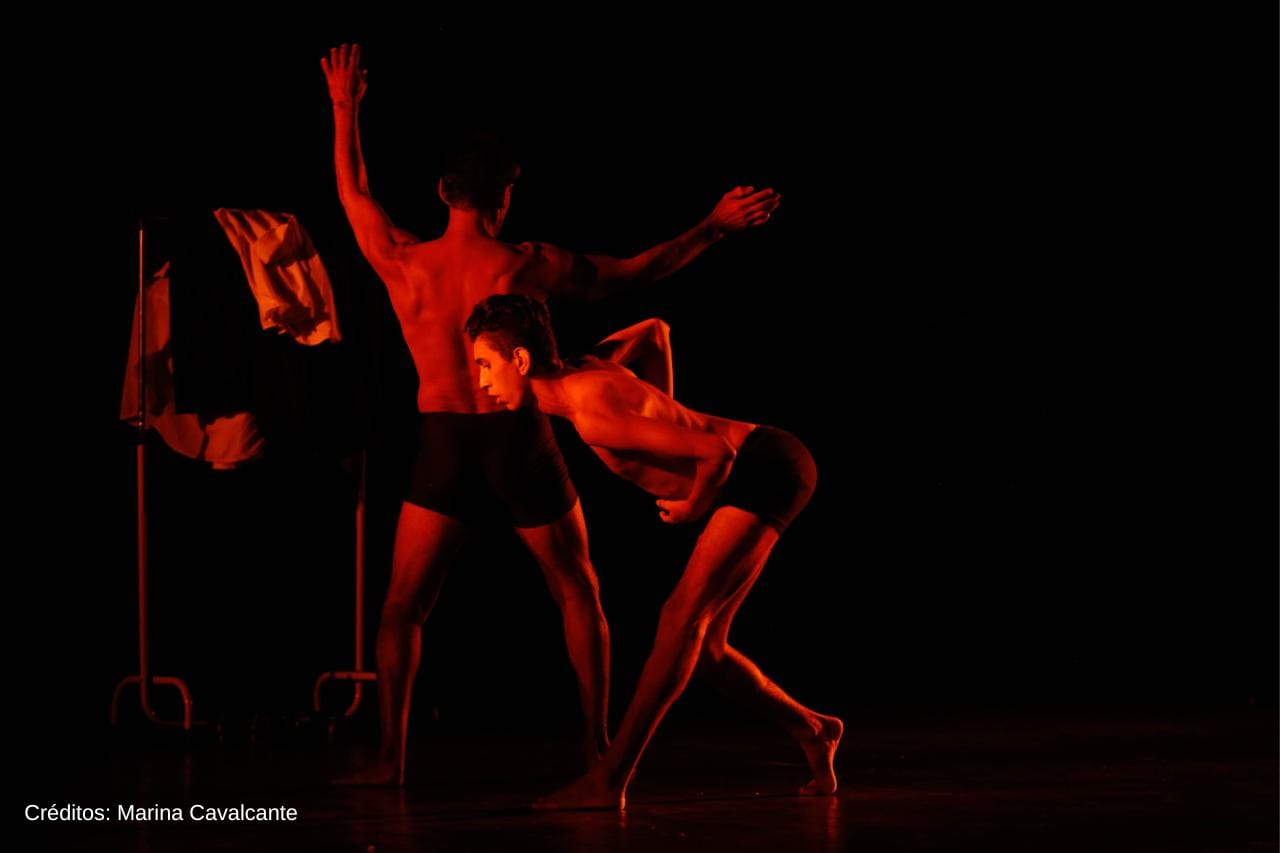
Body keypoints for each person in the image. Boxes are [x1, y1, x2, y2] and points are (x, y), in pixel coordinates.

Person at [321, 43, 781, 784]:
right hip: (518, 435)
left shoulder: (403, 263)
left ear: (443, 191)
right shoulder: (526, 265)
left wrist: (345, 107)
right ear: (502, 198)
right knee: (577, 589)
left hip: (442, 440)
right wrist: (711, 228)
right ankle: (598, 747)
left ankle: (388, 757)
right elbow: (639, 271)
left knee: (403, 606)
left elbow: (353, 193)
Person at [466, 295, 842, 810]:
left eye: (486, 365)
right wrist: (666, 410)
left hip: (762, 470)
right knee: (704, 652)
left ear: (522, 361)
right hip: (757, 469)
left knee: (678, 620)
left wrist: (694, 505)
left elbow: (718, 452)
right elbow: (655, 331)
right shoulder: (589, 365)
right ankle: (814, 729)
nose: (483, 383)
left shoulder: (594, 416)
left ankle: (608, 780)